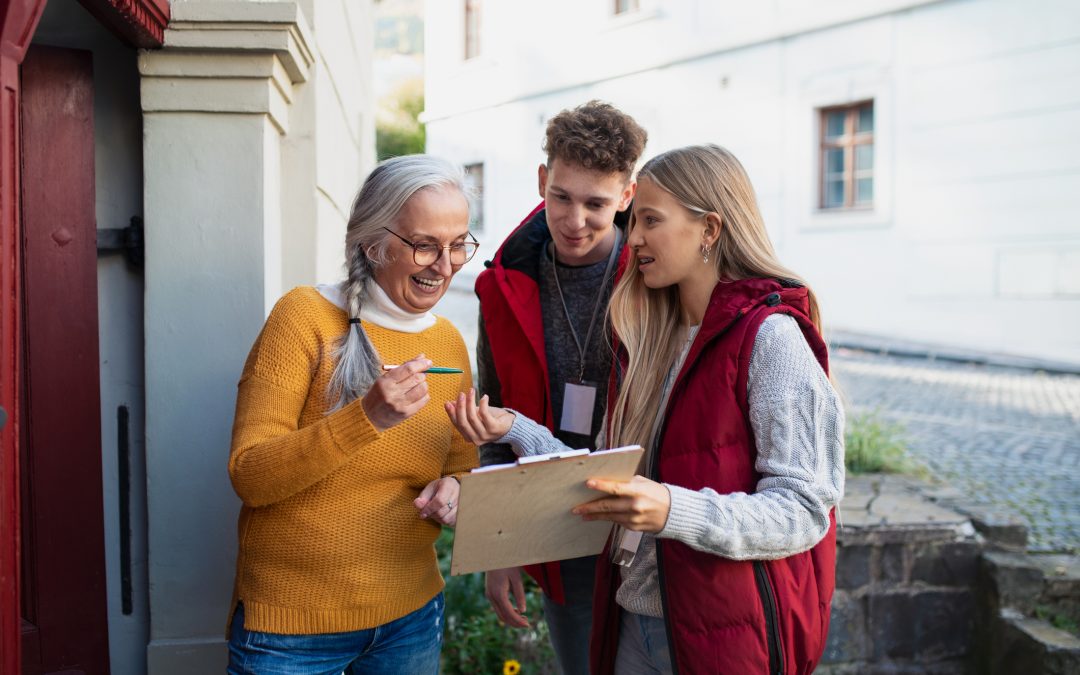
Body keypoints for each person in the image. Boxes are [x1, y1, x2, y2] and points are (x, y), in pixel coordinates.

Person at [450, 144, 845, 674]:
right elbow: (613, 475)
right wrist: (517, 428)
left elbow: (803, 510)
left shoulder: (772, 339)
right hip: (634, 619)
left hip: (722, 633)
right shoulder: (651, 335)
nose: (630, 236)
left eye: (649, 221)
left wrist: (668, 510)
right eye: (634, 220)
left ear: (710, 229)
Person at [225, 154, 480, 674]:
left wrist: (455, 489)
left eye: (459, 244)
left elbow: (461, 464)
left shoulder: (449, 343)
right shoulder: (304, 318)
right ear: (373, 243)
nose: (446, 264)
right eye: (425, 245)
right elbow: (250, 474)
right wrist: (366, 418)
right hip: (291, 628)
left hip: (410, 617)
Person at [474, 100, 647, 674]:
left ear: (627, 195)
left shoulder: (656, 280)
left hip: (652, 522)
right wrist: (502, 547)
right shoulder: (502, 286)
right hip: (559, 520)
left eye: (597, 203)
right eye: (562, 198)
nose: (576, 220)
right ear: (543, 181)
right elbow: (495, 417)